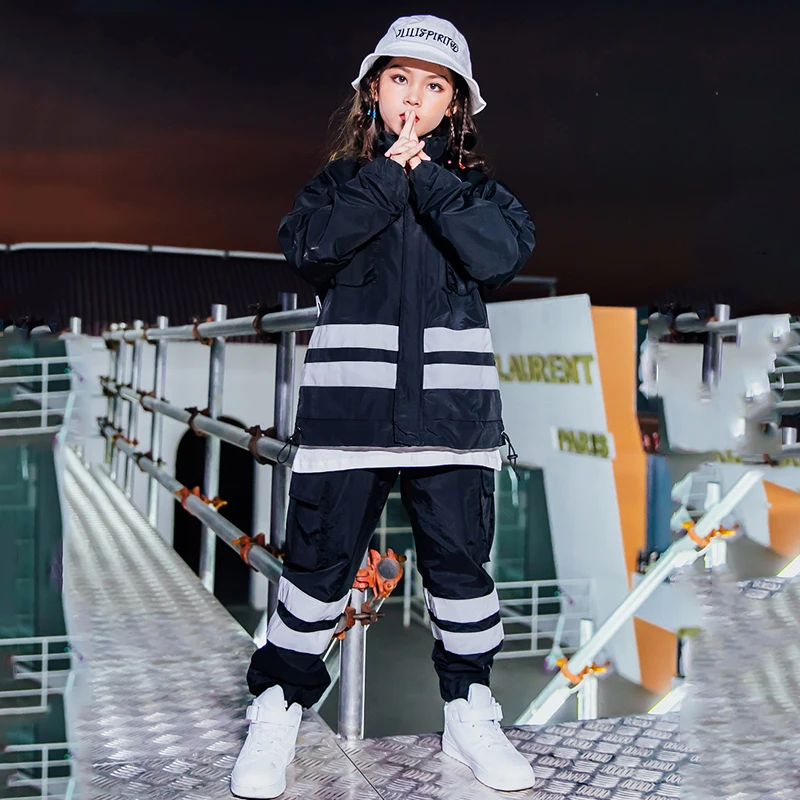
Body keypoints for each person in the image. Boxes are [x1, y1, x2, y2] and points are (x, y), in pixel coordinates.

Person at [231, 14, 536, 799]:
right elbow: (308, 248)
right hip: (349, 420)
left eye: (433, 86)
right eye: (399, 78)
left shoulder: (478, 193)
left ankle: (470, 711)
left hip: (452, 423)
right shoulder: (338, 185)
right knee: (315, 571)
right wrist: (386, 178)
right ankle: (278, 707)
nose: (413, 96)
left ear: (453, 106)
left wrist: (425, 178)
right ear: (373, 90)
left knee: (462, 575)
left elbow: (499, 256)